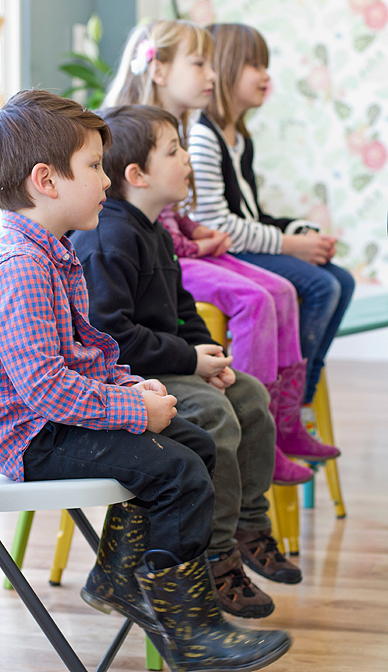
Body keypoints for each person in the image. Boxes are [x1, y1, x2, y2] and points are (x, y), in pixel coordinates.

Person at [0, 90, 291, 672]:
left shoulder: (53, 256)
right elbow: (45, 390)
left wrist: (133, 389)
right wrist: (134, 413)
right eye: (93, 167)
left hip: (55, 423)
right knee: (177, 469)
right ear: (47, 180)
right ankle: (189, 629)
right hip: (29, 439)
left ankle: (120, 575)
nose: (107, 182)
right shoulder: (19, 268)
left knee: (195, 441)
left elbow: (85, 356)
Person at [71, 104, 304, 628]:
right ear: (138, 175)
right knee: (213, 413)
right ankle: (214, 556)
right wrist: (189, 362)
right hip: (127, 373)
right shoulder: (109, 237)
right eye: (173, 151)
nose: (186, 161)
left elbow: (181, 311)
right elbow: (111, 335)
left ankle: (248, 525)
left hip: (167, 361)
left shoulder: (152, 230)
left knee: (248, 395)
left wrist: (211, 359)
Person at [102, 19, 340, 482]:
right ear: (160, 69)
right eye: (200, 63)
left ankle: (278, 419)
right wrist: (194, 240)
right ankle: (259, 427)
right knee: (257, 298)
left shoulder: (186, 130)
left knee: (285, 290)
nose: (213, 74)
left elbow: (171, 219)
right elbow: (147, 228)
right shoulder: (135, 132)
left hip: (176, 252)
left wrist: (195, 234)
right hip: (169, 258)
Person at [188, 23, 355, 424]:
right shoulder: (203, 137)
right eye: (254, 65)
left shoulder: (239, 140)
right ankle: (286, 409)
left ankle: (300, 395)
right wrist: (289, 245)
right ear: (226, 68)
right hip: (224, 251)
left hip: (244, 241)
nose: (266, 76)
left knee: (343, 280)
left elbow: (250, 213)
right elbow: (217, 222)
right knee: (320, 284)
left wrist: (298, 230)